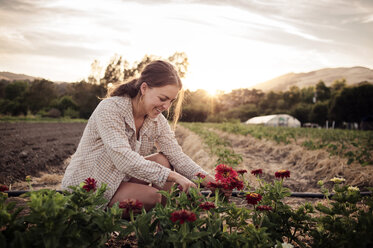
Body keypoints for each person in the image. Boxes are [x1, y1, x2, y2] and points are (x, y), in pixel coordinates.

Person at [61, 60, 215, 211]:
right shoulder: (110, 109)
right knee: (155, 196)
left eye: (171, 101)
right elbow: (123, 159)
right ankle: (111, 217)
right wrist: (174, 177)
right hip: (91, 184)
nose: (166, 106)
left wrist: (212, 183)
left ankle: (163, 227)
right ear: (144, 88)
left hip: (121, 178)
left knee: (163, 160)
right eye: (162, 99)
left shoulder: (157, 121)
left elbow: (177, 156)